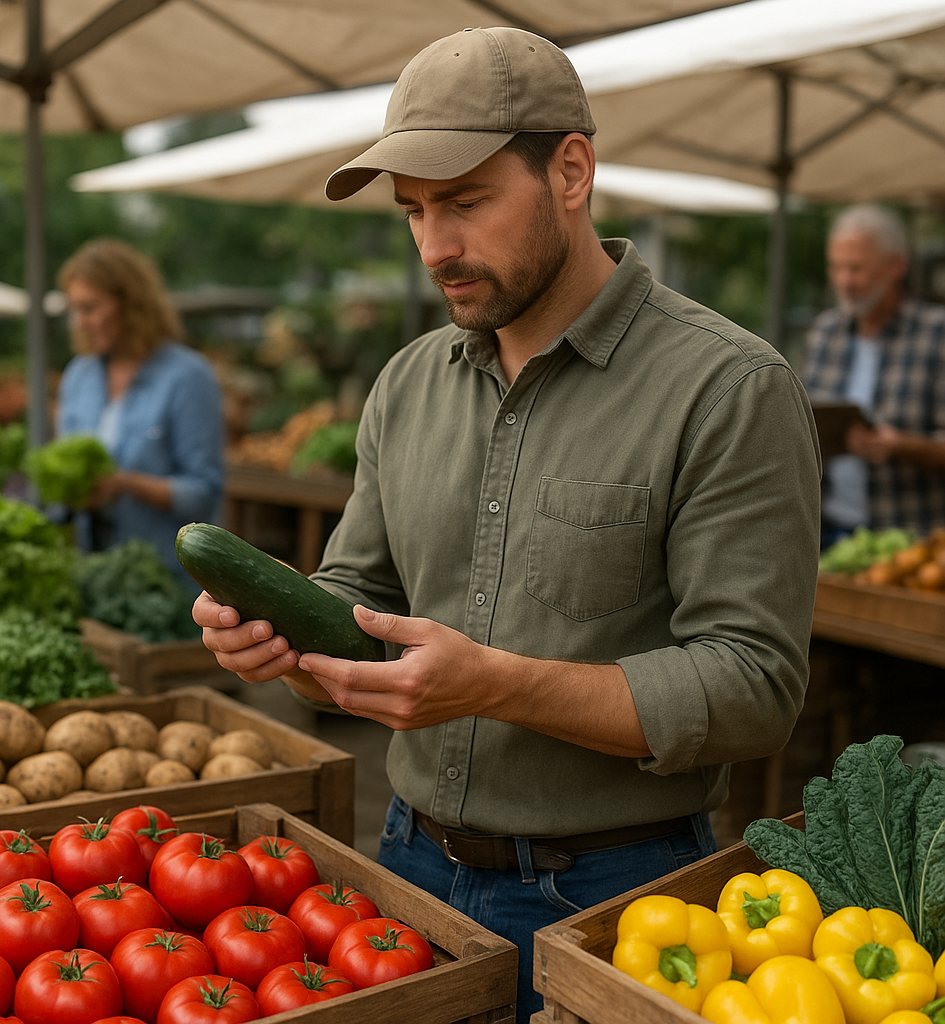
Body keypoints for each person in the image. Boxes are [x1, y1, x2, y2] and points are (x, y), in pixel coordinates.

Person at [194, 27, 821, 1021]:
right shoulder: (405, 382)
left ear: (570, 169)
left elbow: (753, 687)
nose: (435, 246)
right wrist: (280, 628)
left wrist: (494, 683)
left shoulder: (729, 387)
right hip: (400, 862)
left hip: (617, 895)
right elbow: (358, 590)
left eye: (466, 201)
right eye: (413, 212)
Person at [55, 237, 225, 587]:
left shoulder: (187, 377)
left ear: (130, 305)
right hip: (94, 573)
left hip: (166, 580)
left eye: (90, 308)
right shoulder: (78, 376)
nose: (79, 322)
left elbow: (204, 494)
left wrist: (127, 484)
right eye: (73, 310)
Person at [804, 204, 945, 544]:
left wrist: (900, 445)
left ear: (896, 265)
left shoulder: (937, 333)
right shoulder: (825, 332)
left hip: (910, 536)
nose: (844, 281)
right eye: (836, 267)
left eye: (856, 269)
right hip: (826, 527)